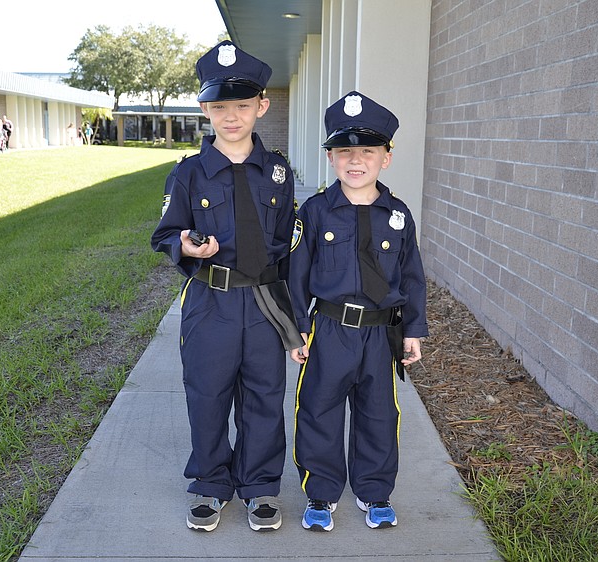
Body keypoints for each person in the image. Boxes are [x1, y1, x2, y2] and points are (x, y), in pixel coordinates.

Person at [151, 40, 297, 533]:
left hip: (262, 302)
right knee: (208, 394)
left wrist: (292, 318)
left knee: (263, 395)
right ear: (204, 110)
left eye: (241, 105)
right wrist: (188, 248)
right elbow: (166, 233)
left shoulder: (278, 173)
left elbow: (286, 244)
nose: (230, 117)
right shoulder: (188, 173)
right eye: (219, 107)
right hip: (211, 301)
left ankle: (259, 488)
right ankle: (211, 485)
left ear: (261, 106)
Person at [288, 91, 429, 532]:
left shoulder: (398, 216)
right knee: (319, 409)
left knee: (378, 415)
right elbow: (296, 276)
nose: (356, 161)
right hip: (329, 330)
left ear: (386, 158)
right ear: (330, 157)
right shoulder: (314, 212)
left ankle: (374, 493)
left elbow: (411, 278)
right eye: (344, 151)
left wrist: (413, 330)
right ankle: (321, 494)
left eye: (368, 151)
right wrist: (299, 329)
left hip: (378, 337)